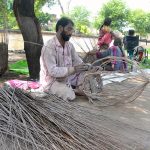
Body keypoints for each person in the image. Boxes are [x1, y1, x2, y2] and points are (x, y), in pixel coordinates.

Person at [39, 17, 91, 101]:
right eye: (69, 29)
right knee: (69, 95)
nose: (71, 33)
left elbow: (77, 61)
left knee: (89, 79)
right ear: (60, 28)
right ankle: (74, 90)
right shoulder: (49, 46)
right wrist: (72, 69)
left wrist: (89, 67)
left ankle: (74, 89)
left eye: (72, 30)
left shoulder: (69, 45)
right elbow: (53, 71)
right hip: (51, 82)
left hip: (67, 78)